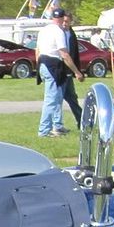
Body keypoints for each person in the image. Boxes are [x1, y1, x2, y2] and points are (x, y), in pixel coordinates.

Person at [36, 8, 82, 138]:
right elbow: (64, 54)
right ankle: (44, 130)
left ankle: (57, 126)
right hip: (53, 64)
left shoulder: (44, 30)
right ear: (62, 19)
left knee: (55, 98)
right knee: (51, 99)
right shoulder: (59, 32)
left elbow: (37, 50)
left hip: (43, 63)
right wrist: (76, 71)